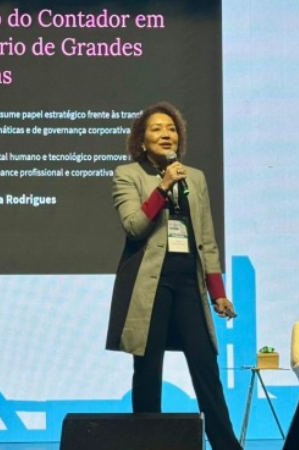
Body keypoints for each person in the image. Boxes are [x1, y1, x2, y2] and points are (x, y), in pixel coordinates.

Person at [105, 102, 242, 450]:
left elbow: (206, 238)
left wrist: (217, 293)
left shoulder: (194, 177)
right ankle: (147, 444)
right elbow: (134, 226)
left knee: (205, 365)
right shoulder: (127, 174)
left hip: (188, 283)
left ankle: (226, 445)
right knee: (148, 368)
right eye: (157, 129)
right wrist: (163, 186)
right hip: (150, 283)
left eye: (172, 129)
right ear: (141, 140)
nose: (166, 134)